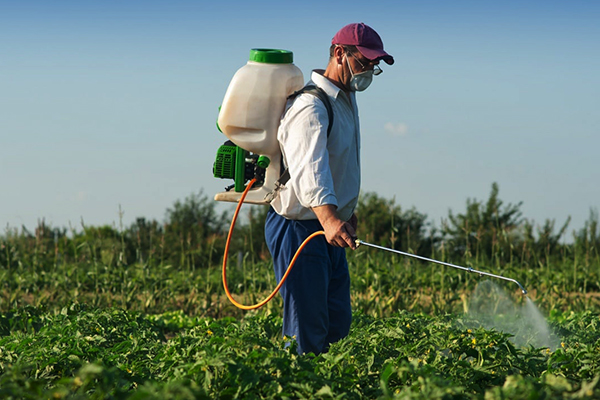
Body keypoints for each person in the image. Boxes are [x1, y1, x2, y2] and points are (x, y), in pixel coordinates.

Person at [265, 22, 394, 355]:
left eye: (374, 66)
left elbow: (342, 163)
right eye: (364, 62)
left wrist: (346, 213)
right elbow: (311, 170)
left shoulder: (345, 100)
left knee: (337, 324)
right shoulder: (311, 105)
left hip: (327, 225)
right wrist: (329, 217)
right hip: (300, 228)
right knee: (308, 330)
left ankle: (329, 387)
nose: (369, 70)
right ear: (340, 53)